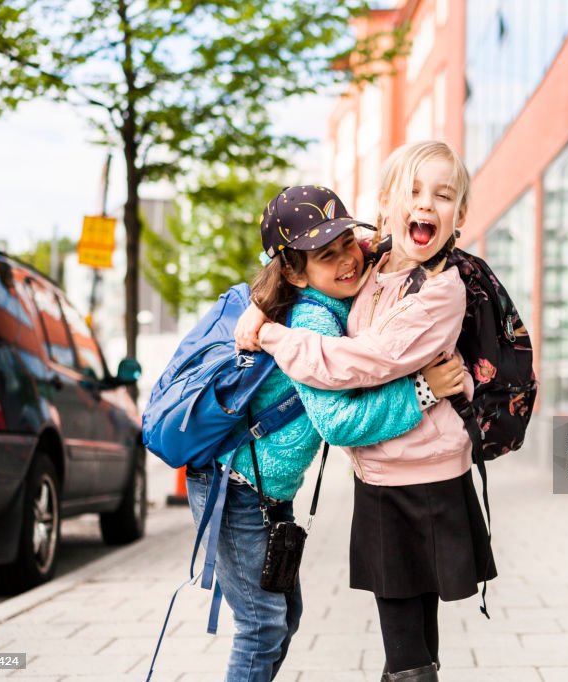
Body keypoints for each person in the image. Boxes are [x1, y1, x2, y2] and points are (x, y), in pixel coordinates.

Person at [235, 142, 495, 682]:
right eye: (413, 193)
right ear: (385, 206)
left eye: (443, 196)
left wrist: (272, 334)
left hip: (422, 475)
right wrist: (263, 305)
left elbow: (367, 360)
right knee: (408, 639)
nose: (347, 258)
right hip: (376, 475)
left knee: (408, 641)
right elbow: (295, 275)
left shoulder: (438, 288)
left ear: (460, 216)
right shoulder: (379, 260)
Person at [186, 184, 466, 682]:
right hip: (234, 487)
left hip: (265, 492)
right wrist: (422, 390)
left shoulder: (331, 296)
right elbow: (338, 423)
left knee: (280, 620)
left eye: (347, 245)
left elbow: (384, 247)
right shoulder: (313, 318)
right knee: (262, 627)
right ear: (294, 270)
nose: (347, 262)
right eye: (325, 256)